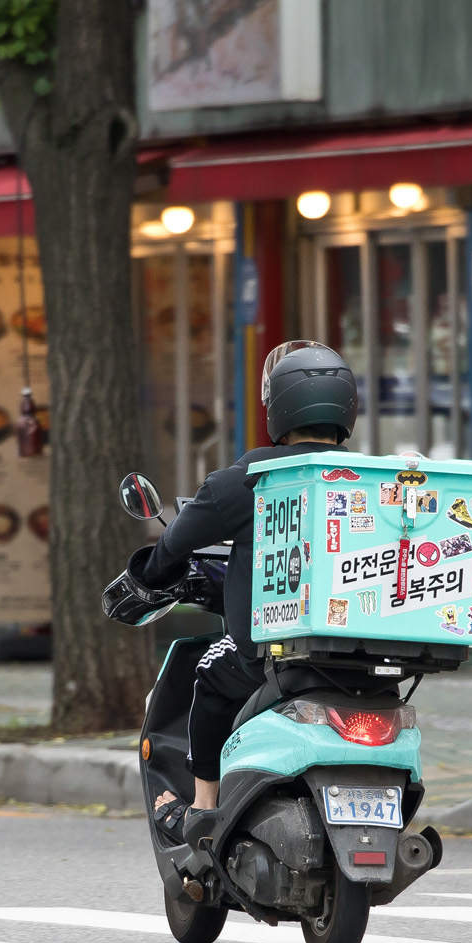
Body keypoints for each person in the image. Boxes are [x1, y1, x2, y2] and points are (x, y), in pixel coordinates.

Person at [132, 341, 360, 848]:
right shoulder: (372, 479)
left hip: (273, 654)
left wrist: (151, 572)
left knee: (209, 674)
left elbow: (174, 543)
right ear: (347, 409)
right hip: (366, 658)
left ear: (277, 408)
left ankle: (203, 810)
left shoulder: (247, 480)